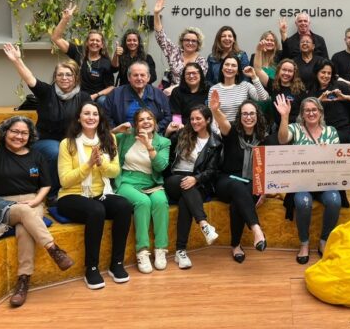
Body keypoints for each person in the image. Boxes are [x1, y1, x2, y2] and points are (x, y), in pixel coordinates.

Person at [0, 90, 74, 307]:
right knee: (24, 213)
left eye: (24, 133)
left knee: (24, 230)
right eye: (14, 132)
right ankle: (53, 248)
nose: (19, 136)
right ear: (6, 132)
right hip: (1, 204)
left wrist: (37, 201)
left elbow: (46, 185)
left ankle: (23, 281)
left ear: (30, 136)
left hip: (32, 201)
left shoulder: (37, 155)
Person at [56, 101, 133, 290]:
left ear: (100, 118)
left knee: (124, 206)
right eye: (87, 113)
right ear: (79, 118)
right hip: (71, 195)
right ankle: (91, 268)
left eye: (95, 114)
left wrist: (101, 164)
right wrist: (89, 164)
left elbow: (114, 171)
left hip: (100, 193)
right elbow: (65, 181)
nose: (91, 117)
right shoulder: (67, 144)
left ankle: (117, 264)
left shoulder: (109, 139)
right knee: (96, 210)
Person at [4, 43, 91, 205]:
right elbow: (29, 78)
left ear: (75, 78)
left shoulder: (84, 97)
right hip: (44, 141)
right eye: (60, 75)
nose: (64, 78)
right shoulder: (46, 92)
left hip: (71, 140)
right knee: (56, 151)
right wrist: (17, 60)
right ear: (55, 77)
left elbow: (92, 119)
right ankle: (52, 194)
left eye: (68, 75)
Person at [275, 95, 346, 264]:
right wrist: (284, 116)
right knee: (303, 202)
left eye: (314, 110)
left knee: (335, 200)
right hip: (302, 183)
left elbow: (337, 159)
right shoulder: (295, 129)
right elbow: (282, 139)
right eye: (307, 110)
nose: (311, 113)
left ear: (320, 112)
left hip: (325, 182)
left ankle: (324, 241)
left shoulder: (331, 131)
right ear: (302, 114)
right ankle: (304, 243)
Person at [210, 92, 268, 263]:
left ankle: (235, 245)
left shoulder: (263, 137)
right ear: (240, 116)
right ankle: (256, 229)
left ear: (257, 115)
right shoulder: (232, 132)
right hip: (226, 181)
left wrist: (263, 191)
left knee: (238, 201)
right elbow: (222, 122)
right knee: (237, 187)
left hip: (251, 183)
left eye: (251, 113)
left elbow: (267, 166)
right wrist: (215, 110)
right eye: (244, 114)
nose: (248, 117)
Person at [113, 109, 171, 274]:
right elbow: (103, 139)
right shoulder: (126, 137)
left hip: (151, 181)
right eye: (141, 120)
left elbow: (161, 166)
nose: (146, 122)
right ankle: (142, 251)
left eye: (149, 118)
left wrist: (149, 146)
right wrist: (116, 130)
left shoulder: (164, 142)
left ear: (154, 122)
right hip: (127, 180)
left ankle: (160, 249)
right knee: (143, 202)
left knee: (160, 201)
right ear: (136, 124)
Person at [164, 105, 221, 269]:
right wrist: (167, 133)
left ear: (208, 120)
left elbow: (212, 170)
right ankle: (203, 224)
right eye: (192, 119)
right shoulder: (182, 134)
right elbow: (164, 148)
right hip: (175, 178)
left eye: (198, 118)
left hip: (198, 182)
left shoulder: (215, 142)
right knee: (185, 185)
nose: (194, 122)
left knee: (185, 203)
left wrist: (196, 179)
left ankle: (180, 251)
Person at [51, 2, 115, 103]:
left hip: (95, 99)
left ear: (102, 45)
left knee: (103, 100)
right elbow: (56, 38)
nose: (94, 42)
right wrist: (65, 19)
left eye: (97, 41)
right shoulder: (78, 52)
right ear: (87, 43)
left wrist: (95, 96)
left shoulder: (105, 62)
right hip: (76, 96)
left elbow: (111, 87)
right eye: (92, 40)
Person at [153, 0, 208, 95]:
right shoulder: (174, 52)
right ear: (182, 41)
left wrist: (174, 88)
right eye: (187, 40)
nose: (190, 43)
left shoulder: (202, 61)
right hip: (173, 96)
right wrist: (156, 14)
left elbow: (197, 81)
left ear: (198, 44)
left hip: (192, 96)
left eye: (193, 41)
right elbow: (161, 37)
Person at [103, 61, 172, 134]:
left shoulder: (158, 94)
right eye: (135, 75)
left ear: (148, 77)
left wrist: (155, 129)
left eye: (142, 75)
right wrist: (117, 131)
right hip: (125, 135)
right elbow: (106, 116)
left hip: (152, 135)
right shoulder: (116, 94)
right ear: (129, 77)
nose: (139, 78)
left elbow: (168, 116)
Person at [305, 59, 350, 143]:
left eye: (329, 73)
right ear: (317, 73)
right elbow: (306, 109)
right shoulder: (311, 89)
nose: (326, 76)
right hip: (319, 129)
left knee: (327, 142)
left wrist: (344, 97)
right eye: (323, 72)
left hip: (340, 128)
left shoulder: (339, 85)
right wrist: (319, 100)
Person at [206, 54, 269, 122]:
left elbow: (264, 98)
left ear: (238, 71)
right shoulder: (213, 89)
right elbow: (211, 114)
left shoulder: (245, 86)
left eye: (233, 65)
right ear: (222, 68)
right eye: (227, 64)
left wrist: (254, 77)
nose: (229, 68)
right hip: (220, 127)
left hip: (241, 126)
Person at [257, 58, 306, 129]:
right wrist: (259, 52)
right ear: (279, 70)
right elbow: (257, 70)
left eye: (290, 71)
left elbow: (305, 109)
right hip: (277, 127)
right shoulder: (273, 85)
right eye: (284, 70)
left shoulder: (300, 89)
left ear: (294, 73)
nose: (286, 73)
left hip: (295, 127)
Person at [250, 31, 282, 119]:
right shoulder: (255, 56)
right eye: (267, 40)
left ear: (276, 43)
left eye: (272, 40)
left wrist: (283, 33)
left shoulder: (279, 56)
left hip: (276, 96)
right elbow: (252, 76)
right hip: (259, 98)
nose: (269, 42)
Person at [168, 62, 209, 132]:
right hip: (184, 128)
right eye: (188, 74)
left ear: (200, 75)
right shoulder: (177, 92)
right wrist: (179, 126)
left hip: (205, 127)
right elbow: (176, 115)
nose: (191, 76)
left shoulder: (209, 90)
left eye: (194, 73)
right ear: (184, 76)